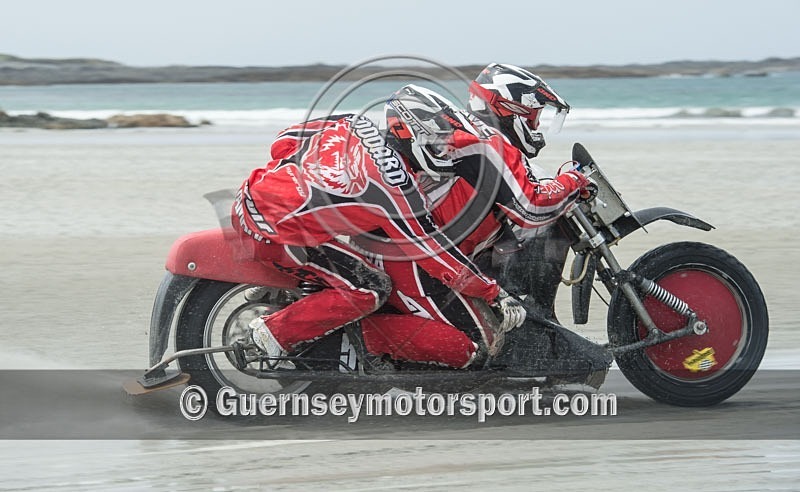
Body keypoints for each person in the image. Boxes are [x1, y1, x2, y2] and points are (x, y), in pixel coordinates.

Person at [233, 112, 506, 369]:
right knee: (371, 288)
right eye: (438, 145)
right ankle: (271, 335)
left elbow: (284, 142)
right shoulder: (399, 189)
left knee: (346, 254)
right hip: (275, 235)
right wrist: (492, 292)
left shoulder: (353, 122)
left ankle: (281, 289)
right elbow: (433, 254)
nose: (444, 152)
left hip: (249, 197)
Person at [360, 84, 592, 367]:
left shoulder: (464, 145)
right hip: (414, 259)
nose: (537, 126)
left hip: (414, 253)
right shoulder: (486, 145)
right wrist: (574, 179)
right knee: (478, 347)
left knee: (484, 336)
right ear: (511, 110)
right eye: (534, 117)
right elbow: (532, 207)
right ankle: (357, 339)